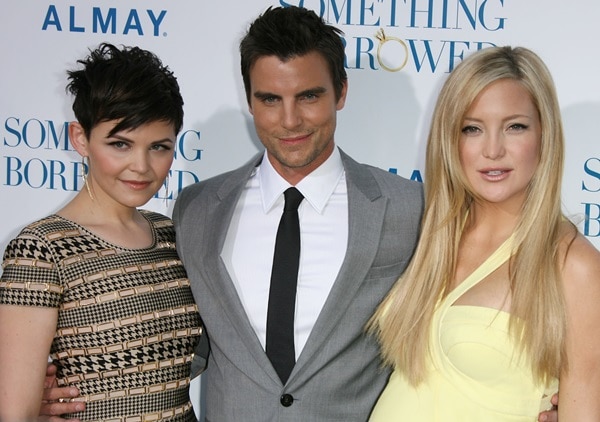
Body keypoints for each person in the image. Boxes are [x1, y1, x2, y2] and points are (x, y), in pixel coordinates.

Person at [39, 8, 560, 422]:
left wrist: (557, 395)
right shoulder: (197, 210)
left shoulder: (411, 208)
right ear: (248, 100)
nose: (290, 120)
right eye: (270, 99)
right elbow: (183, 340)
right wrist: (51, 388)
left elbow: (497, 296)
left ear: (342, 92)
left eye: (309, 96)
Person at [367, 46, 600, 421]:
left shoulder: (573, 264)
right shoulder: (434, 234)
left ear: (545, 136)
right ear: (450, 140)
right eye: (472, 128)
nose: (493, 150)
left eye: (515, 127)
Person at [0, 43, 202, 421]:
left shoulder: (171, 234)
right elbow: (16, 414)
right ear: (81, 138)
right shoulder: (41, 249)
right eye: (120, 144)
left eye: (159, 147)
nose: (141, 166)